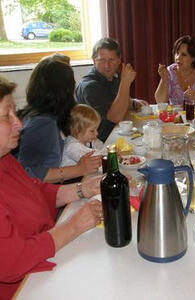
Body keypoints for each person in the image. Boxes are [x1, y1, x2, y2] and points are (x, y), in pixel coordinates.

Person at [0, 75, 103, 299]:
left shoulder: (4, 159)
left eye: (15, 112)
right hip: (23, 288)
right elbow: (12, 262)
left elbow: (35, 190)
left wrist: (82, 189)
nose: (18, 122)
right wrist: (75, 225)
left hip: (47, 257)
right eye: (7, 116)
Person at [17, 57, 102, 183]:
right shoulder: (43, 123)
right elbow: (28, 173)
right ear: (64, 90)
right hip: (46, 191)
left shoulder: (34, 113)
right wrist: (78, 169)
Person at [76, 37, 148, 142]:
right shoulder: (90, 87)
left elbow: (116, 101)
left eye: (111, 60)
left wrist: (133, 102)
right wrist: (125, 82)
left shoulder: (114, 77)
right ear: (94, 60)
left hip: (115, 132)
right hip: (96, 142)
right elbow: (115, 117)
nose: (107, 65)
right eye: (102, 60)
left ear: (119, 60)